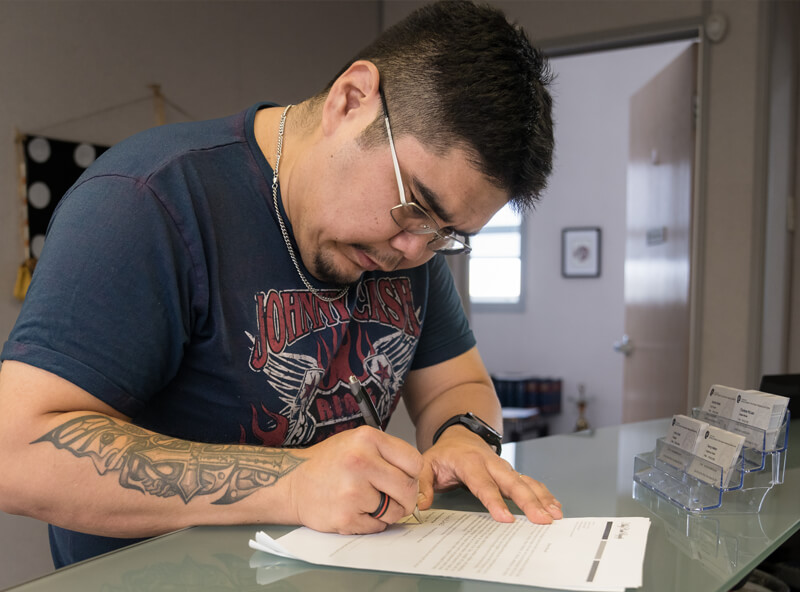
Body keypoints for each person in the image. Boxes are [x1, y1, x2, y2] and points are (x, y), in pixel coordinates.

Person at [0, 0, 559, 568]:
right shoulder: (148, 200)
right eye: (414, 205)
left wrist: (463, 436)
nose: (414, 250)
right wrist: (293, 484)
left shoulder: (409, 245)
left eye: (447, 234)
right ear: (351, 100)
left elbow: (454, 387)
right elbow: (14, 455)